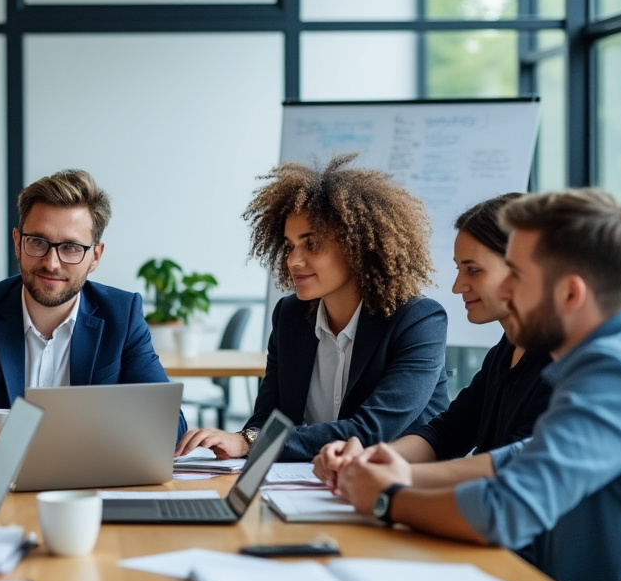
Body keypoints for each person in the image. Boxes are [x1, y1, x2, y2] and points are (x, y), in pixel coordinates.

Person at [336, 188, 621, 581]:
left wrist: (385, 500)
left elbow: (506, 511)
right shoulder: (617, 355)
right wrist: (403, 476)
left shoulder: (620, 372)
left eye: (516, 275)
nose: (505, 291)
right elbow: (522, 456)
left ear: (571, 293)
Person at [0, 169, 185, 462]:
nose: (51, 263)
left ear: (95, 256)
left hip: (92, 486)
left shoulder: (121, 316)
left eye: (71, 248)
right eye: (37, 242)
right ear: (18, 243)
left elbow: (169, 425)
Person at [175, 155, 448, 462]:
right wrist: (246, 438)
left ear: (356, 246)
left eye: (312, 244)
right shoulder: (290, 316)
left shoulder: (418, 321)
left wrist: (254, 443)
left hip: (394, 487)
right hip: (310, 480)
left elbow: (371, 430)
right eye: (289, 246)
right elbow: (266, 419)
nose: (293, 260)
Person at [314, 193, 552, 490]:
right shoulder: (505, 351)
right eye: (459, 269)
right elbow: (447, 433)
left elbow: (515, 470)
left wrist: (394, 483)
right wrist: (369, 458)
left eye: (473, 270)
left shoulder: (560, 362)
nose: (457, 286)